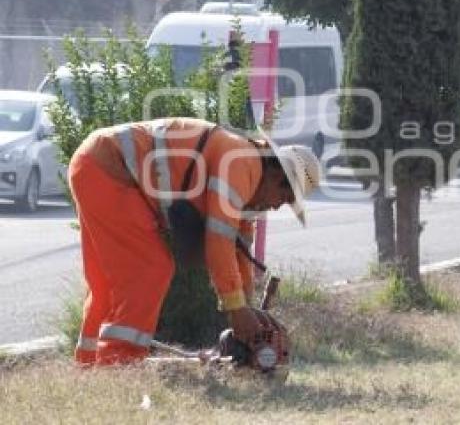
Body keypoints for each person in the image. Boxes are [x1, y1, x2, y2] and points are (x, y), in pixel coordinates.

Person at [68, 117, 320, 365]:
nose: (277, 207)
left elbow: (238, 251)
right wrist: (236, 310)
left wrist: (245, 306)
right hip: (110, 167)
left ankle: (88, 362)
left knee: (105, 284)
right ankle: (119, 362)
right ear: (275, 175)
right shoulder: (241, 164)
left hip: (94, 162)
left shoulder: (247, 176)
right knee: (150, 269)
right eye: (284, 196)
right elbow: (219, 242)